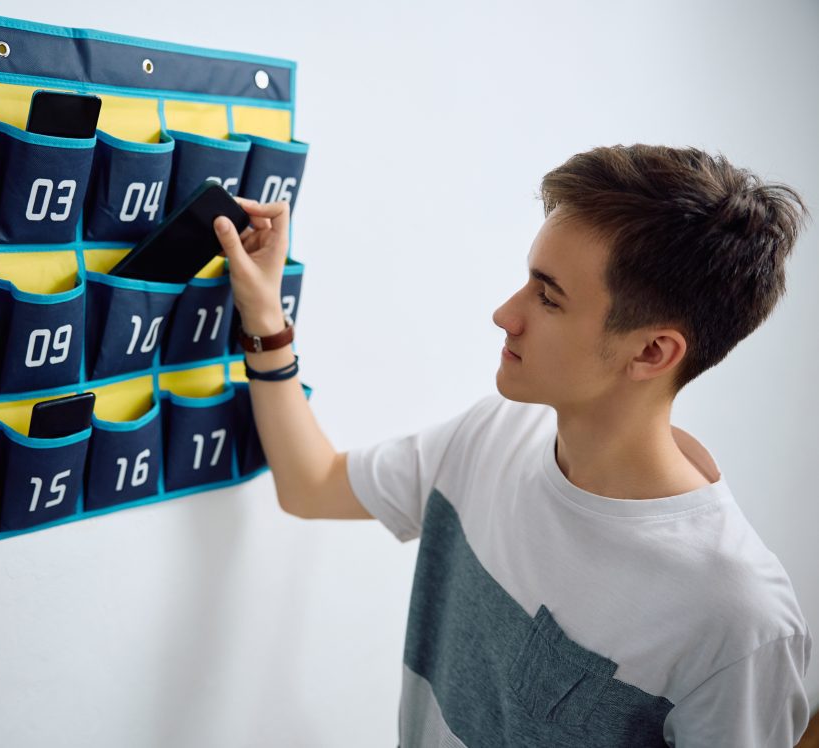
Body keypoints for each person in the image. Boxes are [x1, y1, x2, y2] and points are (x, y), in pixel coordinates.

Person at [213, 144, 812, 747]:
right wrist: (266, 315)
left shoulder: (740, 624)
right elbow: (311, 485)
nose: (505, 314)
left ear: (652, 353)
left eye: (548, 297)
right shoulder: (492, 434)